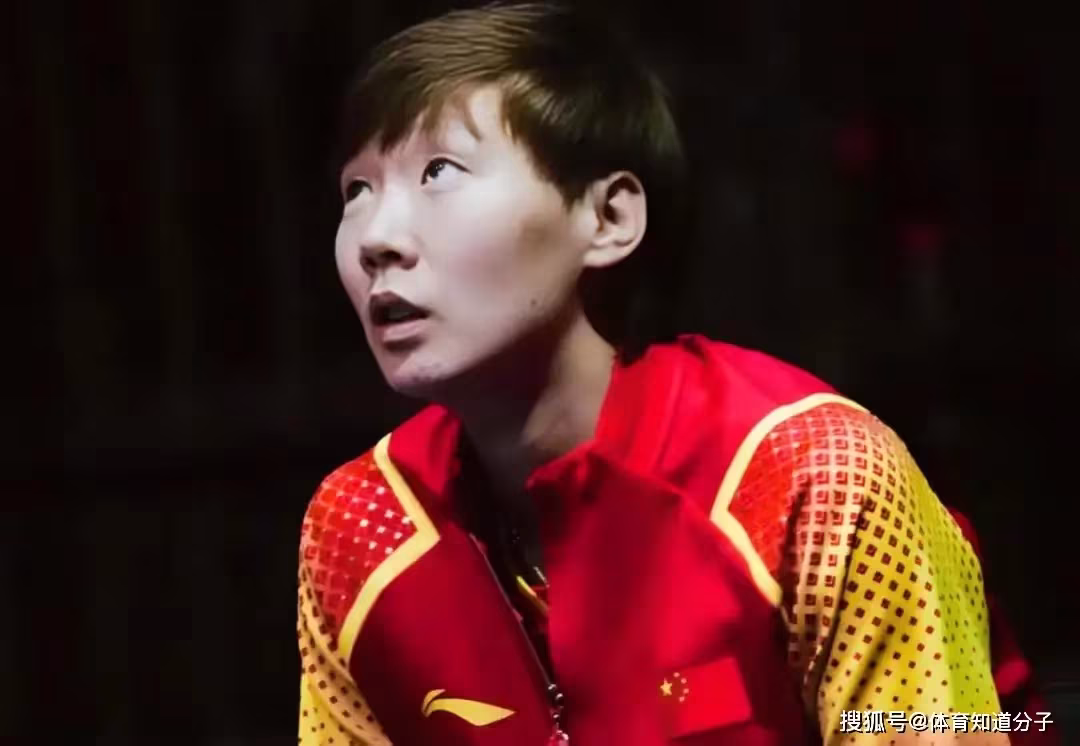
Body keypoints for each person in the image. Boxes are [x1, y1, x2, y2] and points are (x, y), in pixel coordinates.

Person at [296, 3, 1053, 744]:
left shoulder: (813, 477)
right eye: (357, 191)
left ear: (609, 219)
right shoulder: (359, 526)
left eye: (439, 171)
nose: (377, 238)